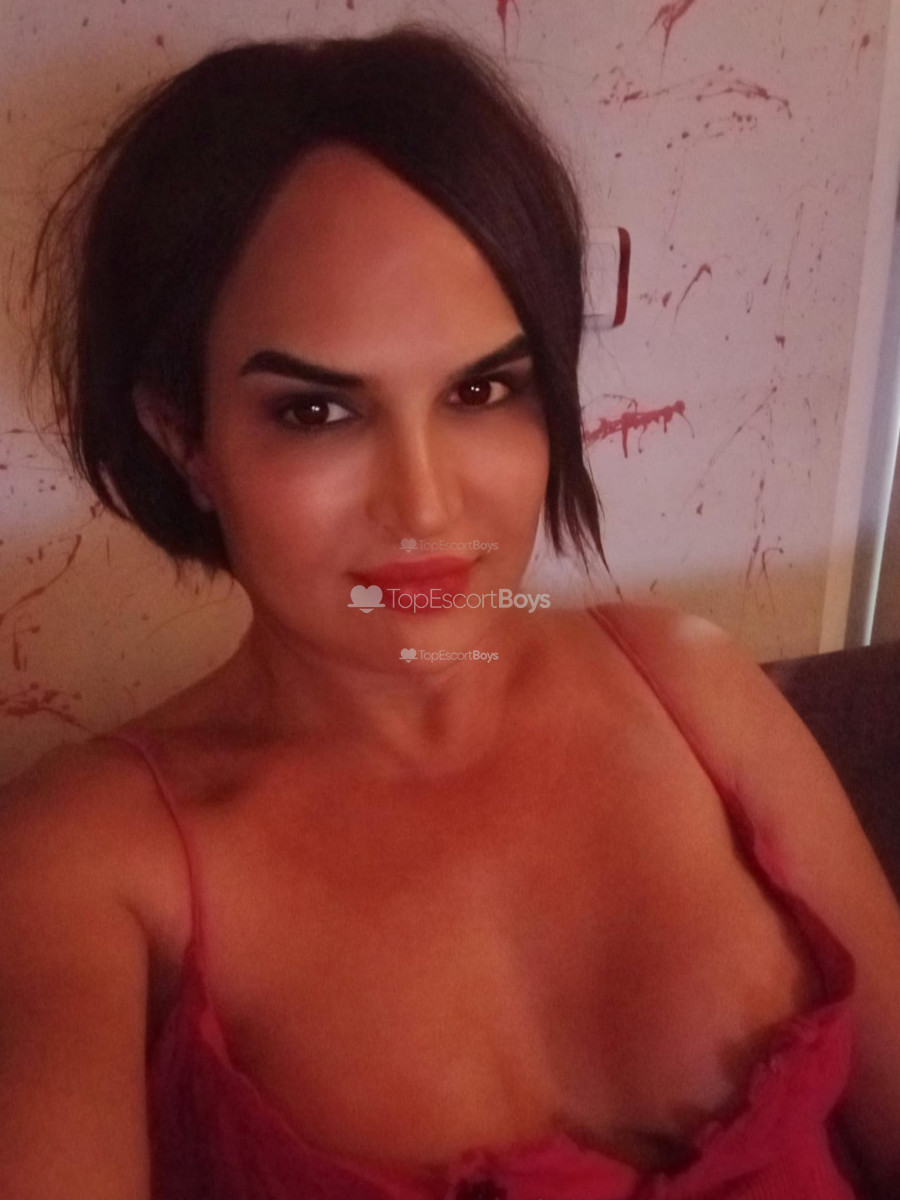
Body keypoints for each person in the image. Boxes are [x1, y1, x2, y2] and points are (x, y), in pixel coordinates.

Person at [2, 23, 899, 1200]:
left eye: (483, 389)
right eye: (317, 412)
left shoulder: (690, 685)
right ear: (186, 439)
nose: (425, 505)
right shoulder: (86, 862)